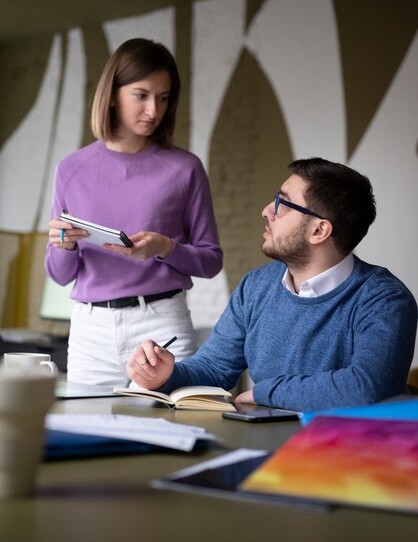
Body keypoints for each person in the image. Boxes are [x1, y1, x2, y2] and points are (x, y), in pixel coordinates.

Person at [127, 157, 418, 412]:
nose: (267, 211)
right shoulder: (257, 285)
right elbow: (214, 368)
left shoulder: (385, 300)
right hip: (263, 444)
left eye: (282, 203)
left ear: (319, 230)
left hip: (345, 456)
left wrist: (265, 392)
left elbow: (365, 387)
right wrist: (166, 376)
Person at [45, 38, 223, 386]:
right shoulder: (71, 169)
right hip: (90, 331)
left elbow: (211, 260)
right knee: (88, 434)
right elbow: (60, 274)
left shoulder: (185, 168)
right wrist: (64, 246)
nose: (153, 110)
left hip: (161, 325)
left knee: (170, 435)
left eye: (163, 97)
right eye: (141, 95)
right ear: (112, 94)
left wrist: (165, 248)